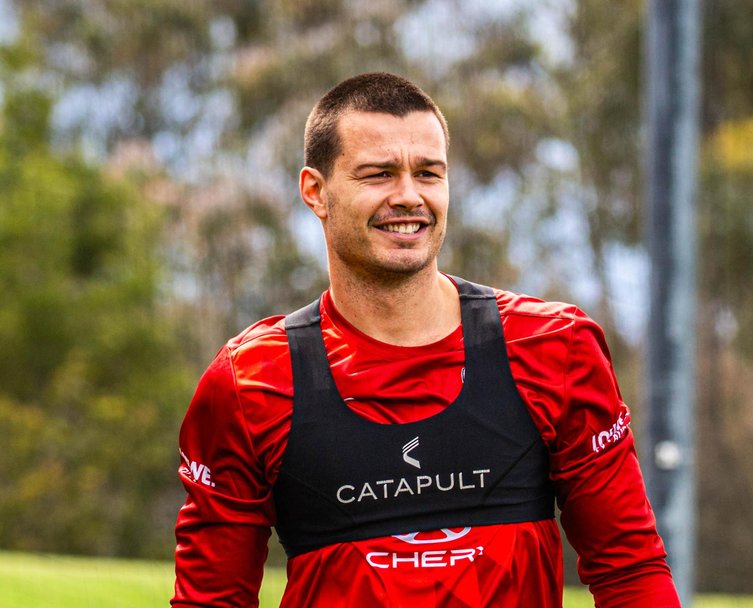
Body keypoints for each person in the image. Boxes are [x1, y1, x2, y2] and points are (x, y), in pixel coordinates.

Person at [172, 72, 681, 608]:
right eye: (379, 174)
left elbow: (630, 572)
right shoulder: (251, 381)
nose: (409, 196)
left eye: (428, 173)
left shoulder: (555, 348)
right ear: (316, 192)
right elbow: (210, 601)